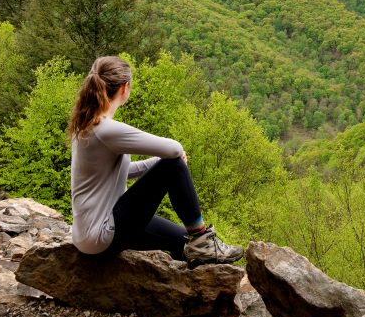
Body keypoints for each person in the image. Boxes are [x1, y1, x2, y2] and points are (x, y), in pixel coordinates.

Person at [67, 55, 243, 265]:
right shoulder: (106, 129)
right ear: (125, 88)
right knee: (173, 164)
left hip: (90, 235)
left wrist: (156, 163)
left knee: (184, 245)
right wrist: (172, 162)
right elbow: (174, 148)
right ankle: (202, 239)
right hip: (103, 235)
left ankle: (201, 251)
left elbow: (124, 170)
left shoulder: (87, 124)